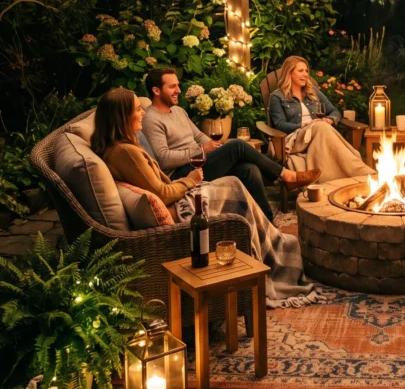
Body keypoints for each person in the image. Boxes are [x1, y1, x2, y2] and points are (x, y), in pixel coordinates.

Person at [93, 88, 317, 307]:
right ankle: (283, 185)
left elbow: (196, 139)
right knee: (237, 158)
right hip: (181, 190)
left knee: (248, 169)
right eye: (136, 110)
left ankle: (268, 226)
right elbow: (162, 190)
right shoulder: (127, 151)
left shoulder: (165, 121)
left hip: (187, 176)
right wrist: (191, 179)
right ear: (122, 116)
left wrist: (209, 146)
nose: (141, 112)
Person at [141, 67, 320, 224]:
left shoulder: (179, 111)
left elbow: (198, 135)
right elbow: (163, 159)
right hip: (184, 173)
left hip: (200, 160)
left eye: (178, 85)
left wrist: (215, 149)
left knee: (249, 169)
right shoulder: (151, 119)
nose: (178, 90)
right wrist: (202, 149)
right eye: (172, 87)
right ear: (156, 90)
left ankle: (267, 223)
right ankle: (286, 176)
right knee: (237, 145)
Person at [269, 56, 373, 182]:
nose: (305, 74)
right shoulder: (277, 96)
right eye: (300, 71)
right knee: (320, 126)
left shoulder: (313, 91)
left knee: (322, 125)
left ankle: (355, 176)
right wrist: (306, 124)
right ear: (289, 73)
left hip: (319, 133)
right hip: (296, 138)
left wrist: (330, 120)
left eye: (306, 71)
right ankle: (363, 173)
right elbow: (280, 125)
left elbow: (334, 111)